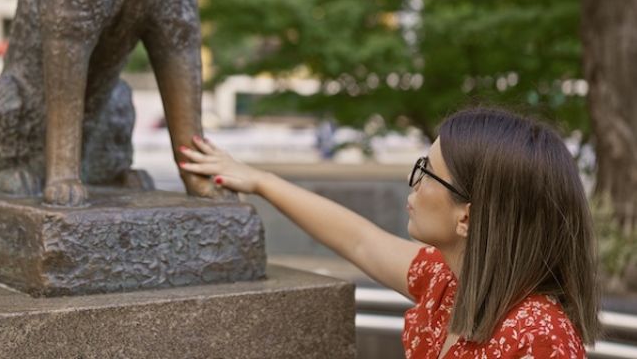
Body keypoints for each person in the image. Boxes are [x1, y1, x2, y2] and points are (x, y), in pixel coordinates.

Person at [178, 107, 599, 358]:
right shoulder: (450, 283)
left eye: (429, 173)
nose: (413, 182)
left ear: (467, 219)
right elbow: (358, 239)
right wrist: (258, 180)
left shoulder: (538, 336)